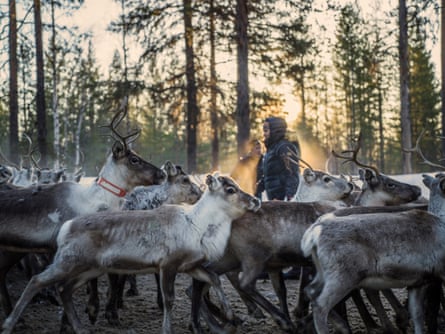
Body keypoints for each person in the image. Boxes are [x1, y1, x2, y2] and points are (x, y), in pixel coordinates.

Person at [256, 116, 300, 201]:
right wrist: (256, 188)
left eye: (266, 131)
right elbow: (270, 175)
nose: (264, 134)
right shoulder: (271, 149)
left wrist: (289, 197)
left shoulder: (284, 147)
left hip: (282, 199)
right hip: (273, 198)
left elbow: (292, 173)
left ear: (275, 131)